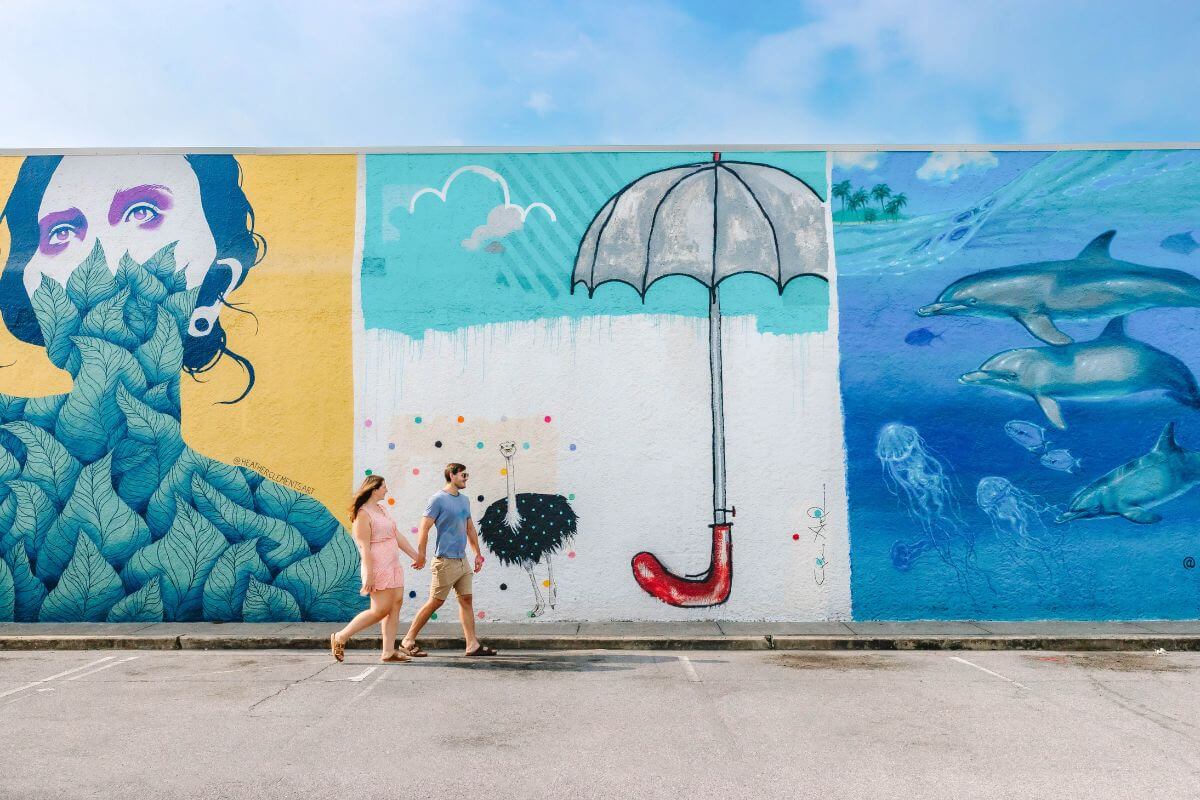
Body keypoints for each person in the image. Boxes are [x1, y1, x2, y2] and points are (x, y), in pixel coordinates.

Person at [400, 463, 497, 657]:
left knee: (466, 600)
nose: (466, 478)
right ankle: (407, 640)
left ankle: (472, 645)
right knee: (435, 602)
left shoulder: (465, 501)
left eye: (467, 474)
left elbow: (469, 528)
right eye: (463, 475)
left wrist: (477, 554)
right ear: (451, 475)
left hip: (462, 561)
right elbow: (424, 527)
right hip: (445, 561)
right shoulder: (438, 500)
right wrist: (421, 554)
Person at [330, 475, 422, 663]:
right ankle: (340, 637)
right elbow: (364, 547)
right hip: (377, 566)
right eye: (383, 487)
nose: (386, 490)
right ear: (373, 489)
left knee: (395, 605)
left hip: (393, 565)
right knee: (379, 610)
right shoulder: (363, 514)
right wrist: (369, 574)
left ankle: (388, 652)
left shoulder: (381, 509)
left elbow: (395, 534)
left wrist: (415, 555)